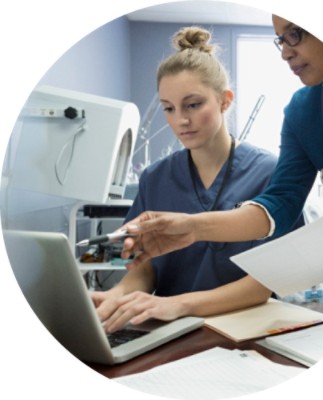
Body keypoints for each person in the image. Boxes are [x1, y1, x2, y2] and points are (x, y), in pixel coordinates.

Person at [121, 16, 323, 311]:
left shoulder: (261, 167)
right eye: (280, 39)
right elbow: (280, 203)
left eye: (295, 34)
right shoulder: (304, 113)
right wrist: (192, 227)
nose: (285, 52)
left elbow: (264, 284)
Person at [91, 26, 299, 333]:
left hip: (244, 330)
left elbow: (262, 285)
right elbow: (144, 265)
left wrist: (179, 304)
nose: (180, 120)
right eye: (169, 109)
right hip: (166, 330)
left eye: (193, 105)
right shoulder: (155, 178)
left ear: (225, 101)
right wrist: (117, 296)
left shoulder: (270, 173)